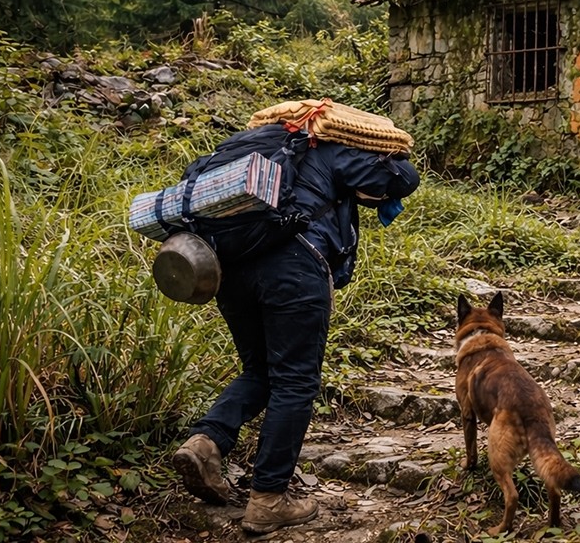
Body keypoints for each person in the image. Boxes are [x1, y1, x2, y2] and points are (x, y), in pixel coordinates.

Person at [170, 141, 420, 534]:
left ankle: (205, 442)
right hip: (294, 270)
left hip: (230, 271)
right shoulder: (326, 146)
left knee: (258, 370)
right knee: (295, 380)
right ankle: (269, 499)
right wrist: (384, 150)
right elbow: (403, 178)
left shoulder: (253, 147)